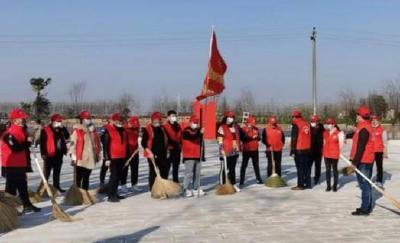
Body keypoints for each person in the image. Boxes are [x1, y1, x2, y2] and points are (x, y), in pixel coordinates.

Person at [1, 108, 41, 213]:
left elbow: (22, 147)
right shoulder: (9, 133)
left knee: (22, 185)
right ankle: (10, 209)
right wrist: (27, 142)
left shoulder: (21, 131)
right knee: (11, 188)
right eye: (21, 118)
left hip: (20, 163)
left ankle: (27, 204)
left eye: (24, 119)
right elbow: (15, 148)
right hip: (11, 164)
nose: (23, 120)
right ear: (14, 120)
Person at [350, 106, 375, 216]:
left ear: (361, 116)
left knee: (364, 185)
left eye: (357, 114)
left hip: (364, 160)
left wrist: (355, 162)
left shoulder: (364, 129)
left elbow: (361, 147)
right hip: (363, 159)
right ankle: (366, 205)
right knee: (364, 185)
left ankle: (365, 208)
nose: (356, 116)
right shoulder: (363, 127)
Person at [69, 111, 101, 192]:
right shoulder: (77, 131)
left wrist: (97, 153)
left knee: (86, 177)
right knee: (79, 177)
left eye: (89, 119)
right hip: (81, 157)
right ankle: (78, 193)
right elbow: (73, 143)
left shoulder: (92, 131)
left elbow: (97, 143)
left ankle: (85, 192)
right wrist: (73, 155)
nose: (89, 120)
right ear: (82, 120)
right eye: (87, 119)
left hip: (90, 157)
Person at [39, 113, 70, 193]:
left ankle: (56, 187)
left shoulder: (61, 129)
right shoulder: (45, 130)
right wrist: (43, 153)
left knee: (57, 172)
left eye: (60, 121)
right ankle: (43, 188)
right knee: (47, 172)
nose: (60, 122)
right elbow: (42, 142)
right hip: (49, 154)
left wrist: (63, 128)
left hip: (59, 154)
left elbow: (67, 136)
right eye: (58, 121)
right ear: (53, 121)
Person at [102, 112, 128, 202]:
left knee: (118, 176)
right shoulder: (108, 130)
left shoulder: (123, 130)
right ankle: (111, 195)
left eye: (121, 121)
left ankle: (115, 192)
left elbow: (125, 144)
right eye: (118, 121)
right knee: (114, 176)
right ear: (113, 121)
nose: (120, 122)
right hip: (113, 157)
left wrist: (126, 156)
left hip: (122, 156)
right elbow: (105, 146)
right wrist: (107, 158)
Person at [141, 112, 168, 191]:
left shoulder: (162, 129)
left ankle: (163, 186)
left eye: (159, 121)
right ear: (152, 120)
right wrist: (149, 152)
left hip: (162, 153)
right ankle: (152, 187)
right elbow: (143, 142)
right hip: (152, 154)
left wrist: (167, 151)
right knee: (153, 171)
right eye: (155, 121)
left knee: (164, 170)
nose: (157, 122)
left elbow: (166, 140)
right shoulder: (148, 129)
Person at [217, 111, 241, 192]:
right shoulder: (222, 127)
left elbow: (238, 138)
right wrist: (221, 149)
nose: (231, 119)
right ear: (226, 118)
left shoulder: (235, 127)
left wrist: (238, 148)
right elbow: (219, 140)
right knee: (224, 169)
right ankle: (223, 184)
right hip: (225, 151)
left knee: (232, 169)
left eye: (232, 117)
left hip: (234, 151)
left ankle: (233, 183)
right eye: (229, 117)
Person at [182, 115, 205, 197]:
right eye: (194, 122)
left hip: (197, 155)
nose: (195, 124)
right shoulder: (186, 131)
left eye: (197, 122)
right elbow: (192, 138)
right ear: (190, 122)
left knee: (197, 173)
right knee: (189, 173)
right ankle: (185, 189)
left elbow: (201, 143)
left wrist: (202, 155)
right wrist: (200, 133)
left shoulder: (199, 131)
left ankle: (196, 188)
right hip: (189, 155)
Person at [290, 110, 312, 190]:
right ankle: (308, 183)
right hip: (307, 149)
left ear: (294, 117)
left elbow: (294, 138)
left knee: (300, 168)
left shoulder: (296, 125)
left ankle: (300, 185)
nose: (292, 118)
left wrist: (292, 150)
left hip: (299, 149)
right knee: (306, 167)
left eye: (292, 117)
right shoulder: (306, 124)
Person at [322, 118, 345, 192]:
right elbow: (324, 142)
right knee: (328, 170)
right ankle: (328, 186)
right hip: (326, 154)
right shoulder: (325, 133)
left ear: (334, 124)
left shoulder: (339, 133)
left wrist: (338, 151)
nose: (329, 125)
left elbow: (341, 144)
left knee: (334, 170)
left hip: (334, 154)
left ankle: (335, 185)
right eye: (328, 123)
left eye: (330, 123)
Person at [239, 115, 262, 185]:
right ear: (248, 123)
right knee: (244, 165)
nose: (253, 125)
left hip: (255, 149)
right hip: (247, 150)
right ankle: (242, 180)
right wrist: (252, 137)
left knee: (256, 165)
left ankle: (258, 178)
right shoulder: (243, 129)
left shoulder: (256, 129)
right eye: (252, 123)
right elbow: (243, 139)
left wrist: (257, 138)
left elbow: (259, 138)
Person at [121, 116, 141, 192]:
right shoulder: (125, 128)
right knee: (124, 169)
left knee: (135, 169)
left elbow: (135, 139)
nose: (136, 126)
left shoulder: (136, 129)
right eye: (134, 124)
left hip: (135, 152)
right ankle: (123, 185)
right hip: (126, 152)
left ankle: (134, 184)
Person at [163, 110, 182, 183]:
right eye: (172, 116)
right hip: (168, 150)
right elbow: (165, 138)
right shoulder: (165, 126)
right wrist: (169, 145)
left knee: (176, 167)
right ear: (168, 117)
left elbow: (180, 137)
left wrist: (180, 145)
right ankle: (165, 182)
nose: (174, 117)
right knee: (167, 167)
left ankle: (175, 181)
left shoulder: (178, 126)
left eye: (175, 116)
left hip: (177, 149)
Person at [371, 115, 388, 187]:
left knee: (379, 167)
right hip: (371, 151)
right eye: (372, 120)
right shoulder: (369, 129)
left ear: (378, 121)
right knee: (369, 166)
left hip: (379, 151)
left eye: (375, 119)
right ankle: (368, 179)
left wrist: (385, 152)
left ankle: (379, 181)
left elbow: (385, 142)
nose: (373, 121)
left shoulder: (382, 130)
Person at [310, 115, 324, 185]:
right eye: (312, 121)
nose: (314, 123)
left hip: (319, 149)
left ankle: (317, 178)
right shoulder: (308, 127)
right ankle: (307, 177)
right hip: (310, 150)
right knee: (309, 165)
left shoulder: (321, 127)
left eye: (316, 121)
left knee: (318, 165)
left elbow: (324, 134)